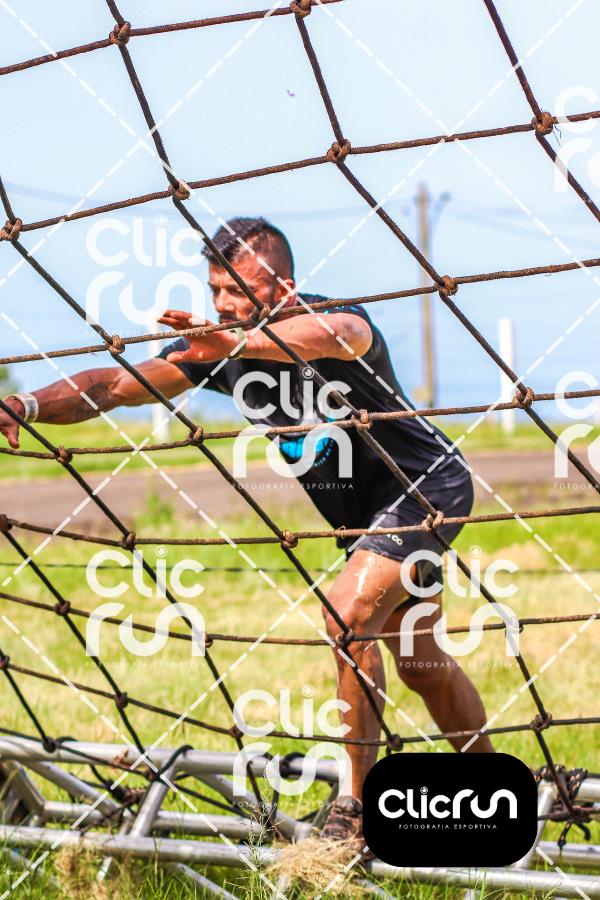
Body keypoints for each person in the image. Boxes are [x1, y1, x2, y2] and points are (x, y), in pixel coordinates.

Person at [0, 217, 493, 850]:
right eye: (216, 290)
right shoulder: (218, 350)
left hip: (425, 487)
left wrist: (236, 343)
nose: (224, 304)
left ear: (283, 288)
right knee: (422, 665)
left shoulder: (333, 320)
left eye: (239, 289)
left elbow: (336, 335)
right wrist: (26, 405)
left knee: (345, 618)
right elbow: (115, 386)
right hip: (365, 522)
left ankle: (354, 809)